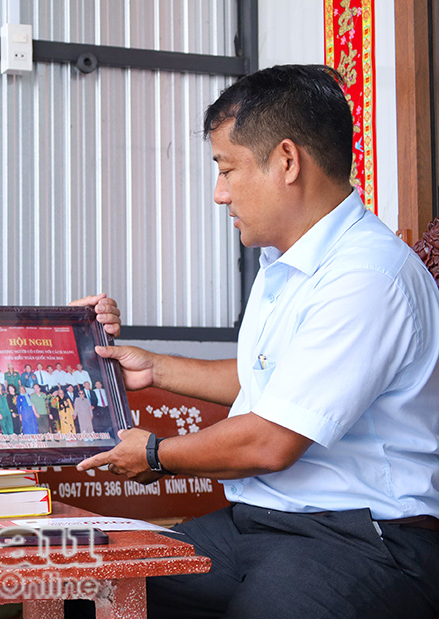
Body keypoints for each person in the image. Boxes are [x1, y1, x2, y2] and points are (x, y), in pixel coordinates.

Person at [77, 65, 439, 619]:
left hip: (363, 539)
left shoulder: (367, 276)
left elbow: (271, 441)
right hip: (261, 524)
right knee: (85, 590)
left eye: (227, 169)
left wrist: (156, 455)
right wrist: (154, 368)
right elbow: (273, 382)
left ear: (287, 161)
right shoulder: (285, 263)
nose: (219, 194)